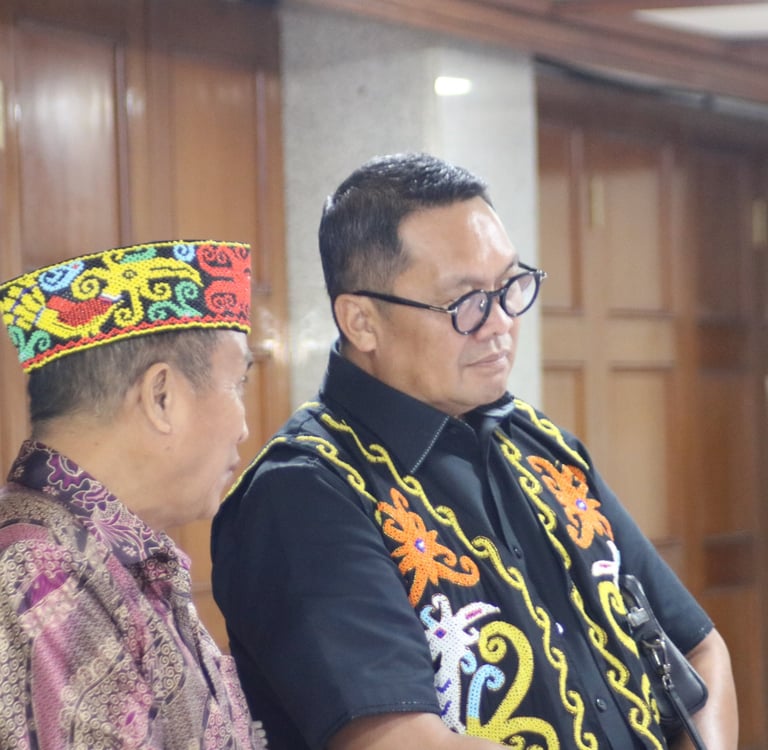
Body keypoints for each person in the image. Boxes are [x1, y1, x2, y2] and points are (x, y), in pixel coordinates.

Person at [211, 154, 738, 749]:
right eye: (466, 302)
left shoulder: (541, 447)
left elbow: (700, 649)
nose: (501, 323)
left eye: (510, 287)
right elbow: (398, 741)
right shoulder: (305, 492)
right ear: (361, 322)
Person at [0, 240, 268, 749]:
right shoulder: (38, 570)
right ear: (160, 396)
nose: (243, 428)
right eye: (236, 384)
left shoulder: (116, 554)